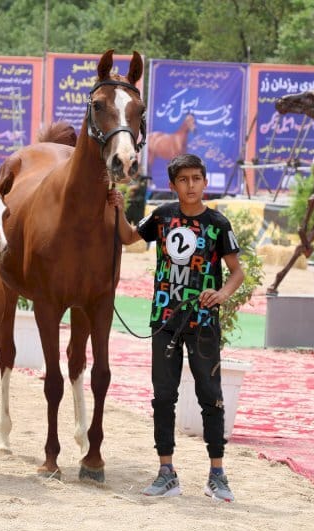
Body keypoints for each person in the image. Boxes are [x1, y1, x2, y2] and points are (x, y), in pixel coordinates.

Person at [107, 153, 245, 502]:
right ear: (173, 185)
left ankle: (217, 474)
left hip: (203, 325)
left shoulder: (218, 223)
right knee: (163, 397)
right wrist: (119, 209)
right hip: (165, 321)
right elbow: (127, 238)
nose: (191, 185)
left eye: (196, 178)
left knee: (210, 396)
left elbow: (237, 272)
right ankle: (166, 472)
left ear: (205, 181)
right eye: (183, 180)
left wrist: (222, 293)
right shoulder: (163, 216)